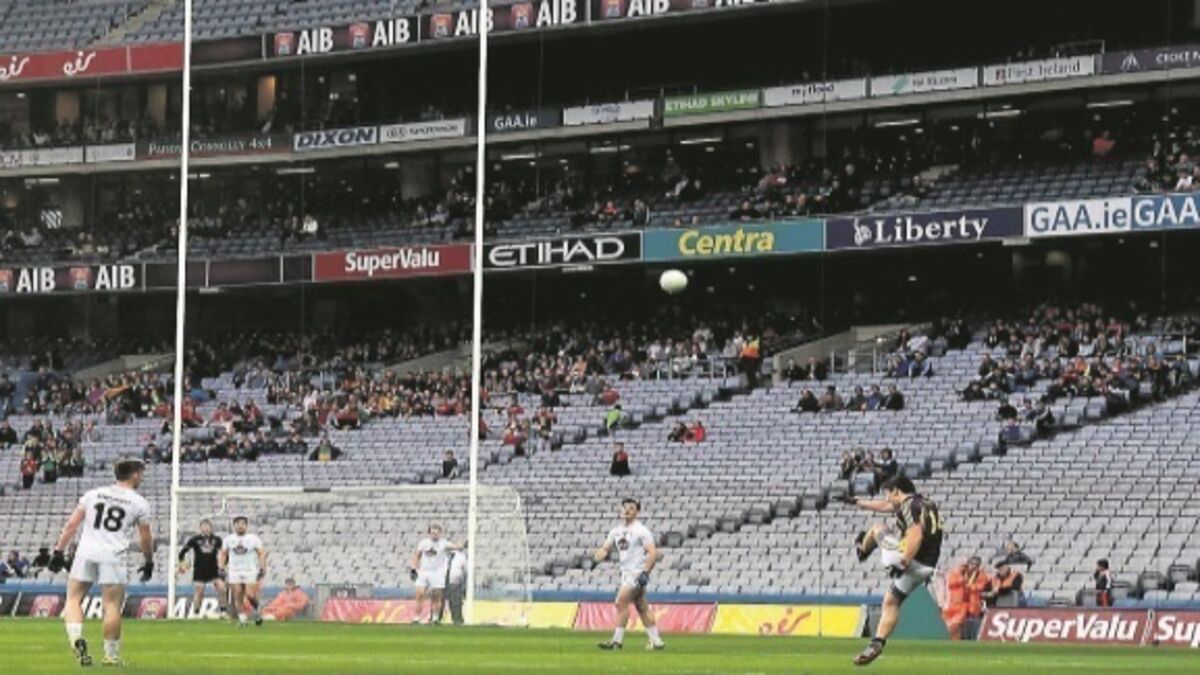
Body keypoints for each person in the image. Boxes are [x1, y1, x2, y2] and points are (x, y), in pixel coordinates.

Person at [48, 457, 153, 667]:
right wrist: (148, 561)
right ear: (134, 475)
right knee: (112, 605)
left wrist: (58, 551)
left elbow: (71, 525)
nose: (142, 478)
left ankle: (76, 639)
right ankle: (110, 656)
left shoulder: (93, 494)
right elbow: (145, 538)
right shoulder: (139, 502)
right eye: (141, 474)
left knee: (73, 599)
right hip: (113, 556)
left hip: (85, 553)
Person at [843, 475, 943, 666]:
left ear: (896, 490)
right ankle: (876, 643)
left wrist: (904, 560)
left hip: (909, 558)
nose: (887, 498)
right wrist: (857, 502)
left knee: (877, 528)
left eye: (888, 493)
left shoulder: (909, 505)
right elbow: (885, 506)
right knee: (891, 601)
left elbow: (916, 534)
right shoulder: (925, 503)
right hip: (926, 567)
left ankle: (862, 549)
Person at [594, 498, 664, 651]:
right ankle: (657, 641)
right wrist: (600, 554)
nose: (627, 510)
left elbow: (652, 552)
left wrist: (645, 572)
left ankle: (617, 641)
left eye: (631, 508)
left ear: (637, 512)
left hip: (636, 573)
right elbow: (606, 548)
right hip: (626, 573)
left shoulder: (641, 531)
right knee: (641, 606)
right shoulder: (616, 531)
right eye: (624, 507)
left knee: (620, 602)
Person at [409, 524, 462, 625]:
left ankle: (435, 618)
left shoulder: (444, 543)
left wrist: (461, 545)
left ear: (440, 533)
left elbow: (456, 547)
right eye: (433, 532)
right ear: (430, 533)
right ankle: (417, 617)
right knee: (420, 594)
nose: (435, 534)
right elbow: (417, 555)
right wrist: (413, 568)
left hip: (437, 573)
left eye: (437, 532)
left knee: (436, 596)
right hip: (424, 572)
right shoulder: (423, 543)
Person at [219, 516, 267, 627]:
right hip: (234, 571)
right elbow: (223, 553)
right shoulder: (228, 539)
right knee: (237, 594)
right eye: (237, 524)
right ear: (234, 526)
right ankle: (242, 618)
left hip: (249, 570)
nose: (240, 526)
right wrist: (221, 567)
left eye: (242, 524)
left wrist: (262, 567)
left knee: (250, 595)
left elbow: (261, 553)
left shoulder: (253, 538)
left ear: (246, 525)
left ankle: (257, 610)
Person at [178, 519, 226, 617]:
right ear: (200, 528)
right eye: (204, 526)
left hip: (213, 570)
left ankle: (223, 611)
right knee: (199, 591)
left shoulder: (217, 540)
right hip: (200, 570)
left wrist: (223, 566)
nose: (206, 528)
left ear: (211, 528)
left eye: (208, 526)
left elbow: (224, 554)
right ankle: (196, 613)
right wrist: (182, 564)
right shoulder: (195, 539)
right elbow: (182, 553)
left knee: (222, 588)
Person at [942, 556, 991, 640]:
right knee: (953, 625)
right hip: (956, 604)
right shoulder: (957, 572)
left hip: (972, 605)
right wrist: (963, 581)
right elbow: (951, 583)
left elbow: (980, 587)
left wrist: (968, 586)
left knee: (965, 627)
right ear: (968, 564)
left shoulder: (982, 576)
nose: (974, 566)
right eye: (972, 564)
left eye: (977, 565)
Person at [444, 547, 467, 625]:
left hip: (455, 583)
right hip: (442, 582)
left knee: (456, 602)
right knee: (440, 601)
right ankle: (437, 619)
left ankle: (457, 620)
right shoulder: (443, 556)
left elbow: (465, 570)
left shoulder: (461, 557)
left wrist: (464, 584)